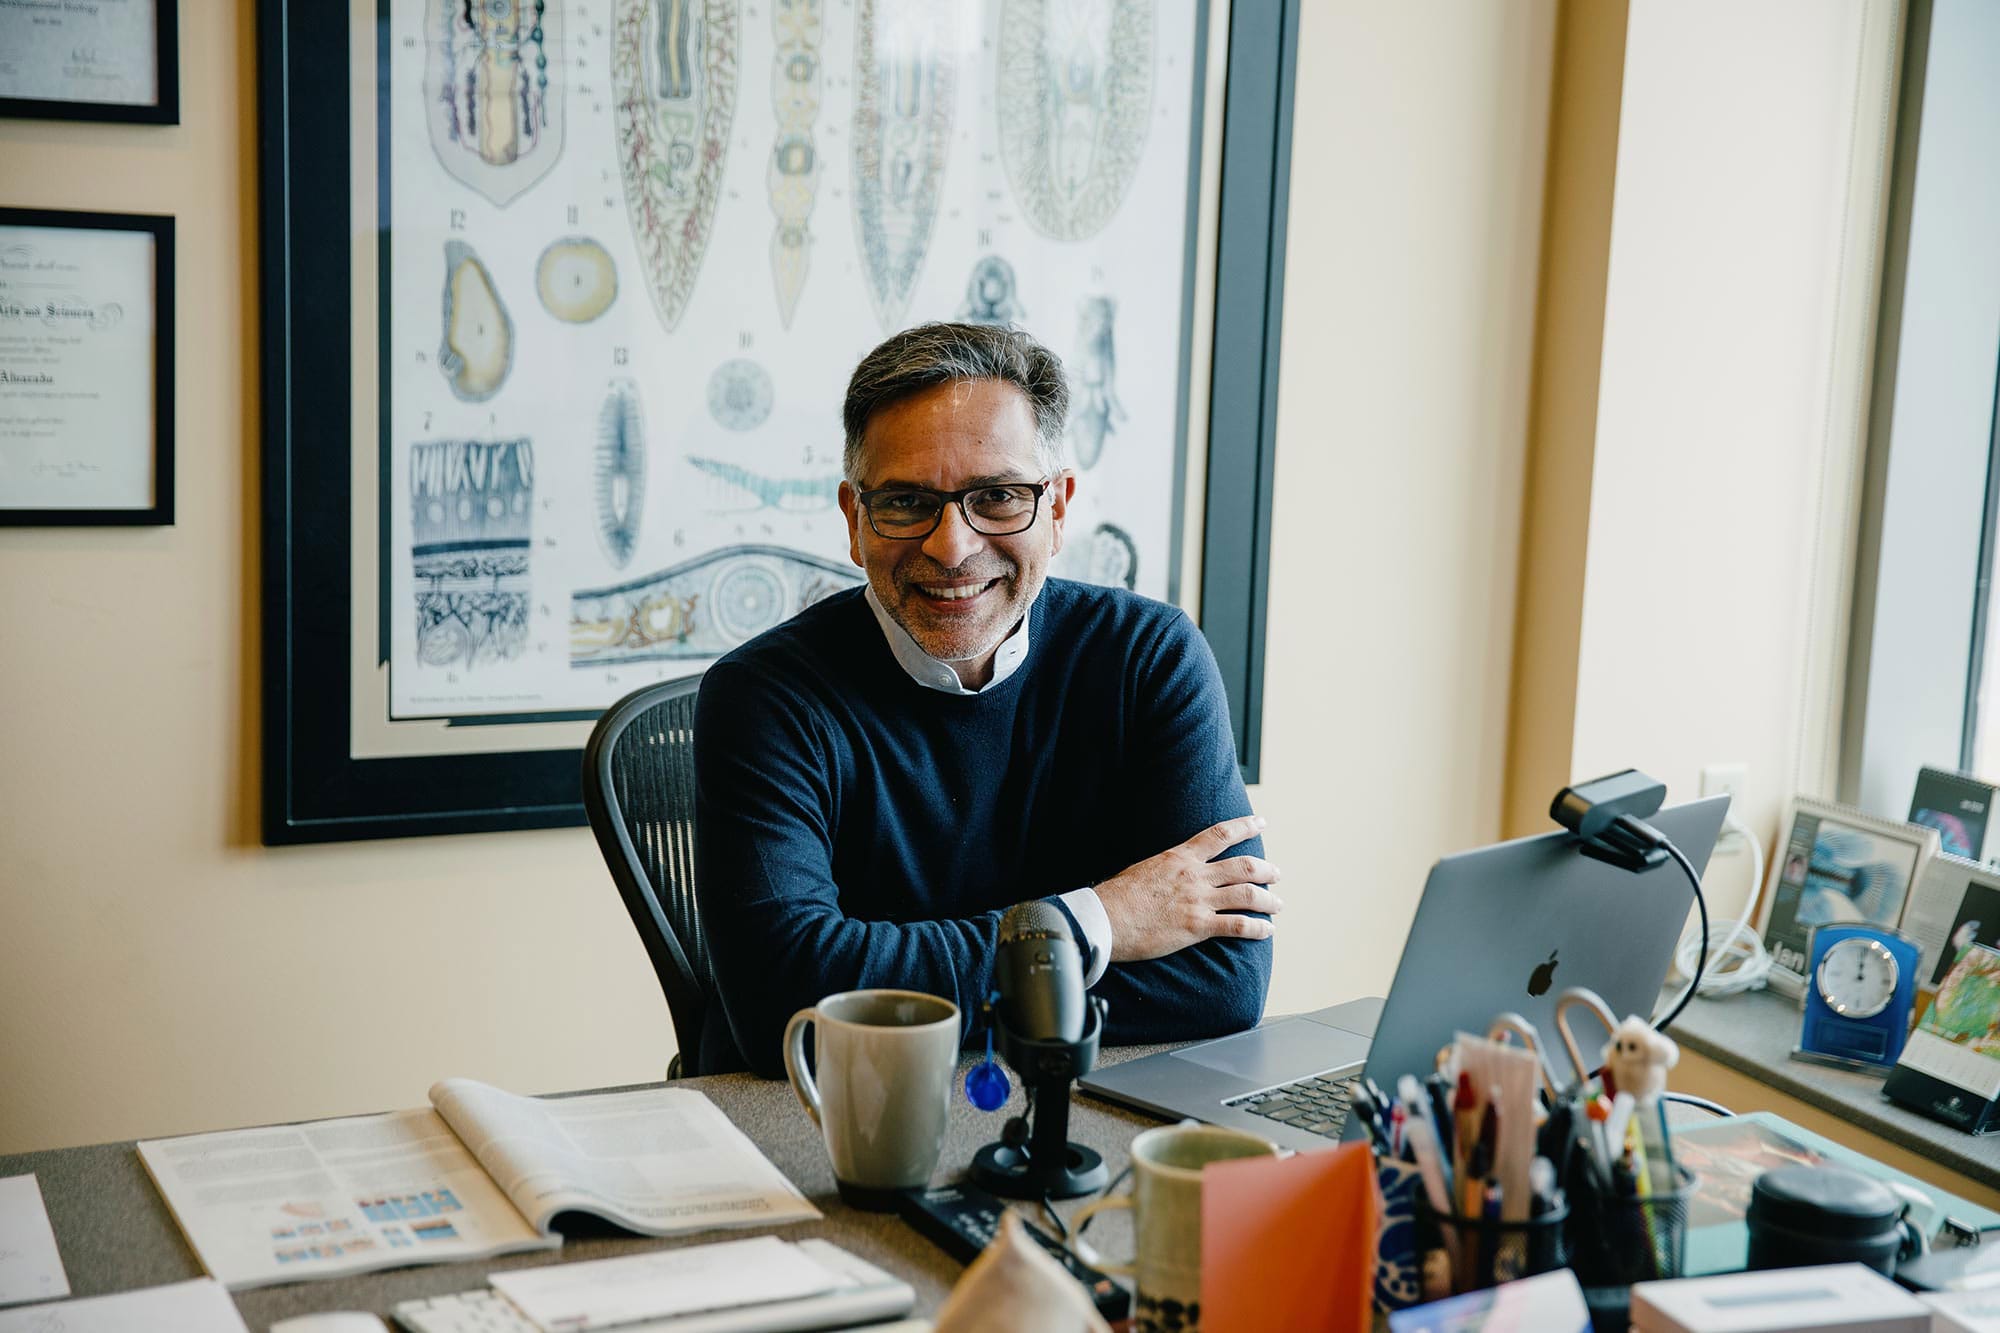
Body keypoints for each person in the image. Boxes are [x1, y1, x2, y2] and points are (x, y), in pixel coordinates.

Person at [693, 322, 1280, 1076]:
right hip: (825, 1123)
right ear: (853, 518)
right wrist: (1099, 921)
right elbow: (789, 998)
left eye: (999, 496)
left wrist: (894, 982)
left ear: (1059, 507)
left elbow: (1225, 982)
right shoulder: (764, 699)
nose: (952, 546)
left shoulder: (1150, 659)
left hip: (1076, 1113)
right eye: (906, 502)